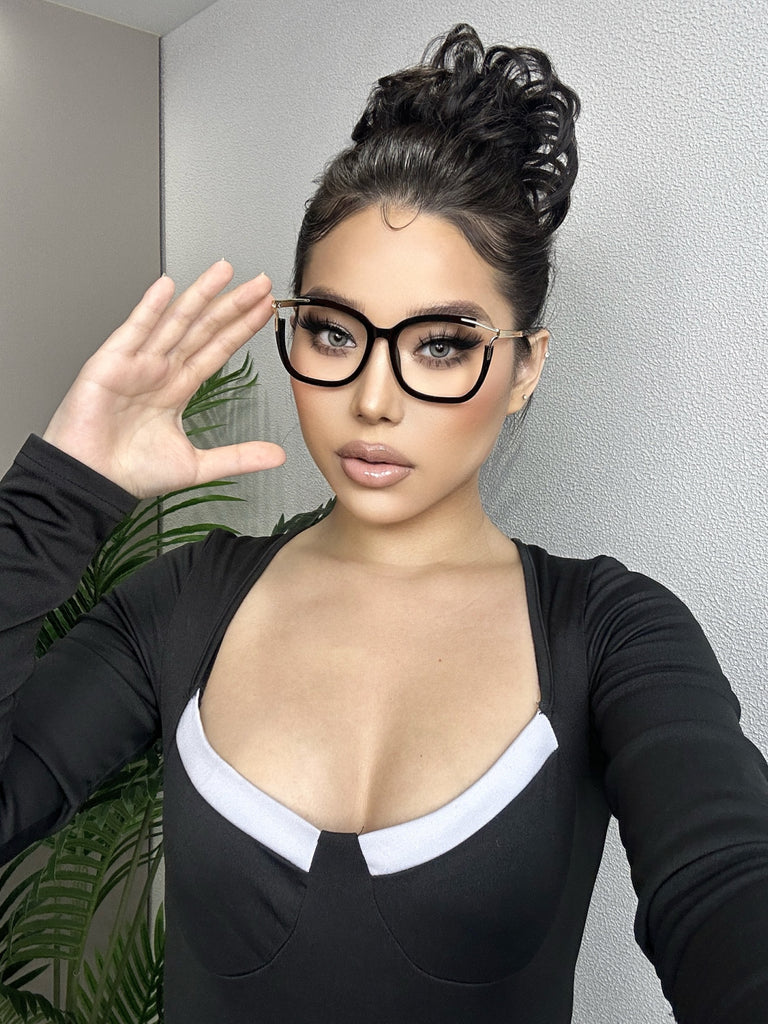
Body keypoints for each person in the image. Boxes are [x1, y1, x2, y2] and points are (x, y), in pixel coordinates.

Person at [1, 22, 767, 1024]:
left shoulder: (609, 631)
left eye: (441, 344)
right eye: (333, 332)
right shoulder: (183, 603)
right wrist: (57, 495)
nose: (373, 398)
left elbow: (729, 892)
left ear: (524, 366)